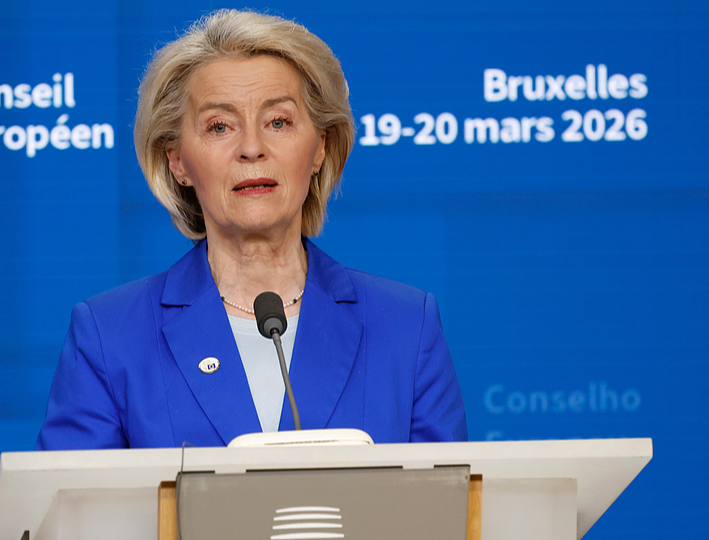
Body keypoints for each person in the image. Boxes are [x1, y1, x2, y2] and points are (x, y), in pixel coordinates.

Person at [36, 9, 467, 450]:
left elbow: (448, 510)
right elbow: (72, 512)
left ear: (319, 147)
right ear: (177, 160)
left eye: (278, 122)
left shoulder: (406, 328)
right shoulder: (110, 338)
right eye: (219, 126)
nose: (252, 149)